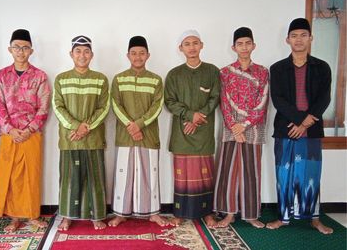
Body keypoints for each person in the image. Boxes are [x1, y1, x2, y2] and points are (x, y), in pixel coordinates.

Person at [266, 18, 333, 234]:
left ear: (311, 38)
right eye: (294, 36)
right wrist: (297, 121)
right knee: (284, 175)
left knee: (311, 174)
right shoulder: (277, 69)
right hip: (286, 129)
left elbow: (324, 98)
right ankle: (283, 218)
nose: (299, 39)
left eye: (303, 35)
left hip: (311, 130)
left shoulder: (322, 67)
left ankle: (314, 218)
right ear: (287, 40)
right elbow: (278, 99)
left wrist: (305, 123)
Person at [0, 29, 51, 231]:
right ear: (10, 49)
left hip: (31, 134)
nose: (20, 51)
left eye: (25, 47)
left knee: (31, 175)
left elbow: (44, 107)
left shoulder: (40, 76)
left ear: (31, 50)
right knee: (10, 176)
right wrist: (10, 129)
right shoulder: (1, 75)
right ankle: (14, 216)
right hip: (9, 134)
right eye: (16, 47)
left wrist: (28, 129)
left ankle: (33, 214)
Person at [108, 36, 168, 227]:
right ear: (128, 55)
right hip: (125, 136)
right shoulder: (119, 79)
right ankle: (121, 213)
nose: (138, 57)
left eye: (142, 53)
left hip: (148, 136)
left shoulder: (156, 80)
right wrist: (131, 126)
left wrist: (139, 125)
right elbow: (115, 105)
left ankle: (152, 213)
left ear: (148, 55)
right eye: (134, 53)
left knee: (150, 174)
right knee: (123, 174)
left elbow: (157, 106)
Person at [213, 27, 269, 228]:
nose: (244, 47)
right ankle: (228, 214)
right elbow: (223, 102)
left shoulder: (263, 72)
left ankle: (251, 214)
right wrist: (234, 127)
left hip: (253, 131)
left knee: (251, 171)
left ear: (254, 45)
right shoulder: (226, 72)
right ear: (233, 47)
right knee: (228, 171)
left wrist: (244, 126)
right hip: (230, 130)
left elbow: (263, 101)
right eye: (240, 44)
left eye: (247, 43)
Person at [52, 35, 110, 231]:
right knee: (70, 178)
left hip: (93, 138)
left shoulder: (100, 79)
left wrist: (86, 128)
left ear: (92, 55)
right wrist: (76, 126)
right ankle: (67, 217)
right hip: (70, 139)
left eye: (86, 51)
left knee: (95, 179)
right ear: (71, 54)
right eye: (78, 51)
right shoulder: (61, 79)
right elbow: (57, 106)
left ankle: (96, 216)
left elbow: (104, 107)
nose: (82, 55)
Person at [164, 30, 220, 227]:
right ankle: (179, 212)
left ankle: (207, 213)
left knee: (205, 175)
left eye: (195, 43)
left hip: (203, 132)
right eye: (187, 44)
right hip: (182, 132)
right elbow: (169, 102)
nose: (192, 47)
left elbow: (215, 98)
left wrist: (197, 118)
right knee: (183, 177)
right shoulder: (174, 74)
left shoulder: (212, 71)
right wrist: (189, 115)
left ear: (202, 45)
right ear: (181, 48)